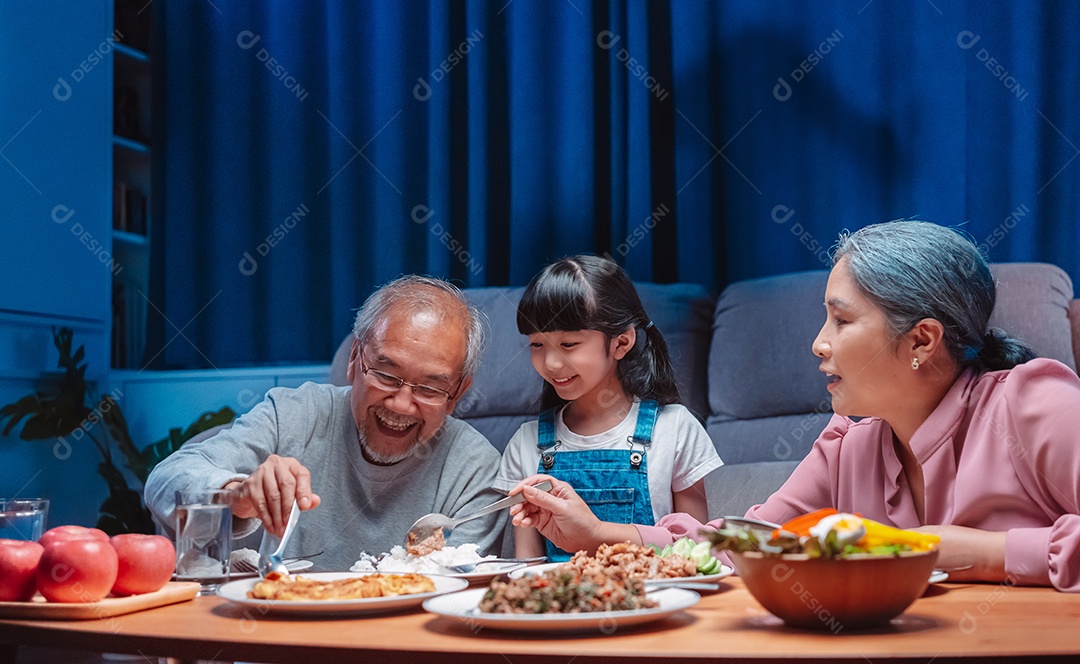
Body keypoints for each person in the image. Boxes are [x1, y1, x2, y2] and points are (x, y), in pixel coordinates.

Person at [508, 221, 1080, 592]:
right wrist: (596, 533)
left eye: (842, 319)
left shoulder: (1034, 407)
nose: (818, 342)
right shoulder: (846, 443)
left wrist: (973, 552)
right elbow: (739, 545)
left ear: (922, 340)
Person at [145, 276, 507, 571]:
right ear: (354, 360)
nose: (401, 404)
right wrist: (234, 495)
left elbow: (449, 596)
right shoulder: (293, 413)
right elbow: (165, 480)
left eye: (429, 388)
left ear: (458, 393)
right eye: (385, 374)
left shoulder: (476, 470)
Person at [495, 255, 723, 560]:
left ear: (621, 342)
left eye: (568, 344)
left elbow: (696, 551)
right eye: (537, 344)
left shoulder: (674, 429)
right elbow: (527, 565)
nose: (550, 363)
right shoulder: (525, 444)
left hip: (656, 600)